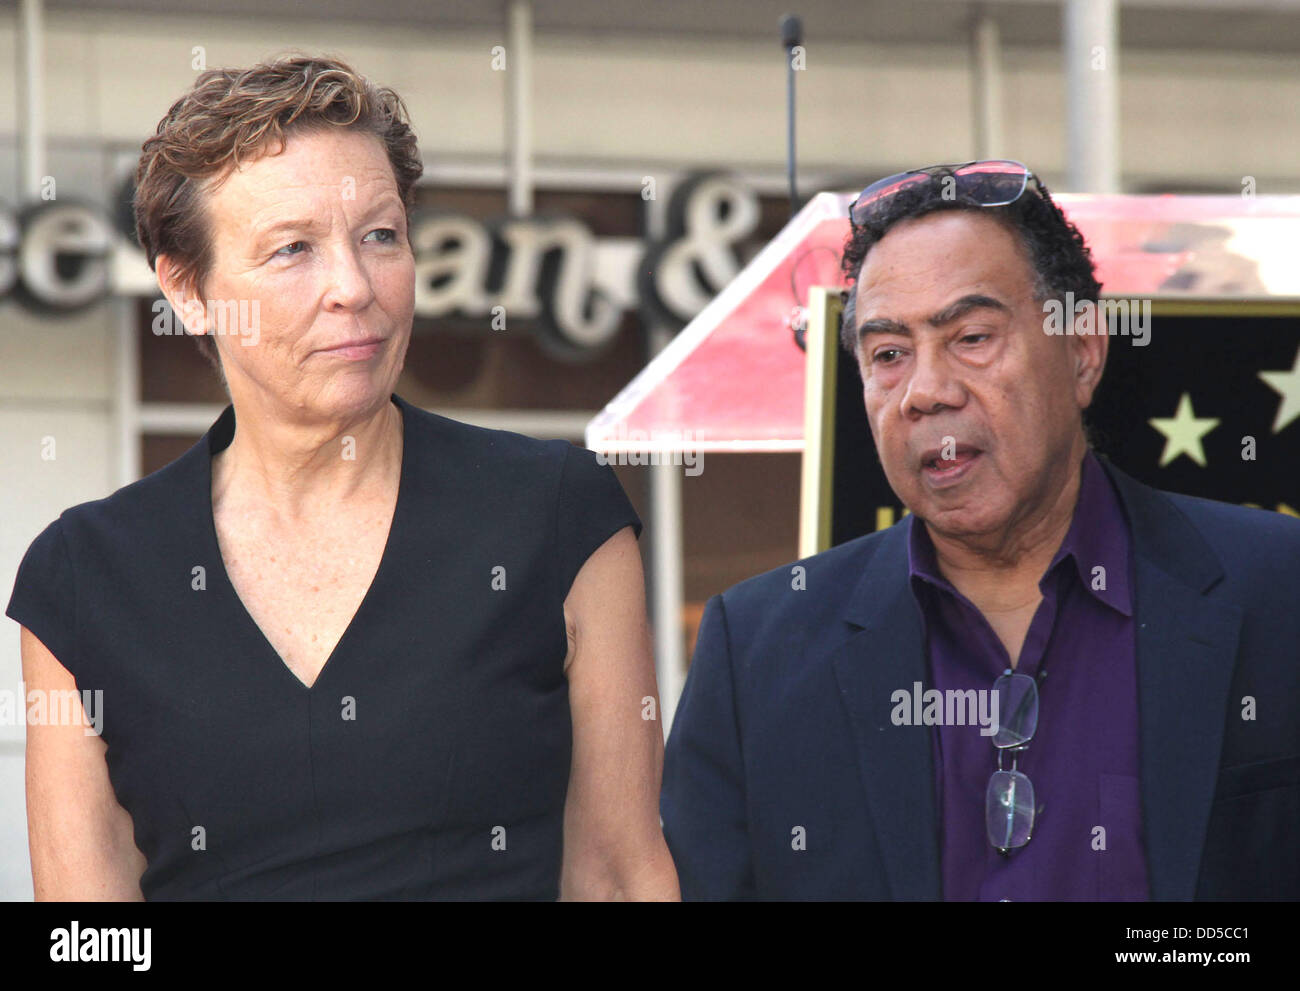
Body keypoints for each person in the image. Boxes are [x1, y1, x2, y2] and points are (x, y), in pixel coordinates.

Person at [7, 54, 679, 901]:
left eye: (381, 236)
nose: (353, 288)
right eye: (293, 249)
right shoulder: (86, 575)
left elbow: (620, 876)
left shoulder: (556, 514)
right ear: (188, 291)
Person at [660, 160, 1300, 901]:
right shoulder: (759, 650)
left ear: (1083, 349)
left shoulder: (1276, 594)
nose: (926, 392)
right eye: (889, 355)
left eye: (970, 336)